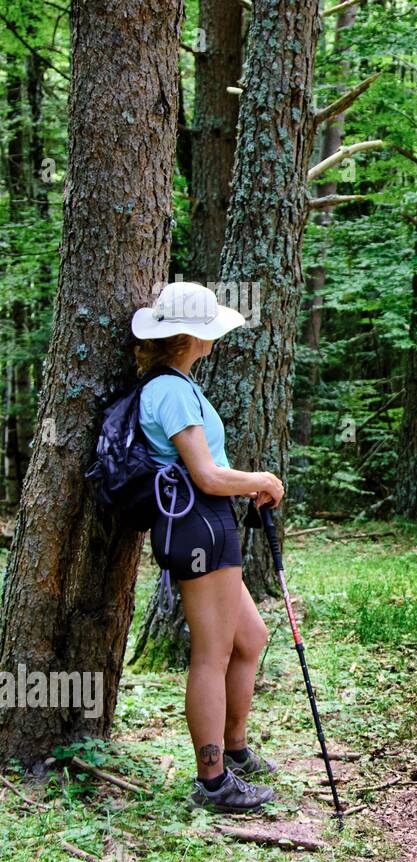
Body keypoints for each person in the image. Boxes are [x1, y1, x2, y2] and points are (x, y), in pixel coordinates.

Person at [132, 282, 285, 813]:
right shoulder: (170, 392)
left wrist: (246, 486)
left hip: (208, 522)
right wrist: (259, 479)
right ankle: (213, 779)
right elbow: (205, 474)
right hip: (196, 521)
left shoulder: (177, 384)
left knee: (250, 637)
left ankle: (236, 750)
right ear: (193, 337)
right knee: (212, 653)